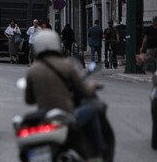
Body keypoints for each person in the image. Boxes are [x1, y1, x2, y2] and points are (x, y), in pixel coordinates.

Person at [25, 30, 106, 159]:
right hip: (66, 116)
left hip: (45, 117)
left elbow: (29, 99)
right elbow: (83, 91)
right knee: (93, 110)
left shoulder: (33, 70)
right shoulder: (66, 66)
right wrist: (92, 86)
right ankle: (98, 152)